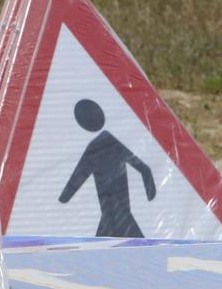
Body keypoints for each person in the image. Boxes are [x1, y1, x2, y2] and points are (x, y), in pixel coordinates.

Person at [58, 99, 155, 237]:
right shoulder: (110, 142)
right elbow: (144, 169)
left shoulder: (96, 148)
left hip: (116, 216)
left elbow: (77, 178)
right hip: (112, 216)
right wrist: (150, 190)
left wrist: (63, 199)